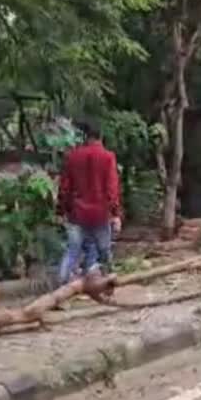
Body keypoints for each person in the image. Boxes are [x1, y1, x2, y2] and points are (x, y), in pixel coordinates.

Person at [56, 119, 122, 283]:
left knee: (72, 251)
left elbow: (65, 187)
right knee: (104, 251)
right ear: (101, 136)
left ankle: (60, 288)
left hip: (77, 214)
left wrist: (60, 211)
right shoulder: (108, 157)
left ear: (86, 137)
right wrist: (115, 214)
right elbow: (111, 188)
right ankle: (107, 284)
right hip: (100, 213)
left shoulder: (73, 156)